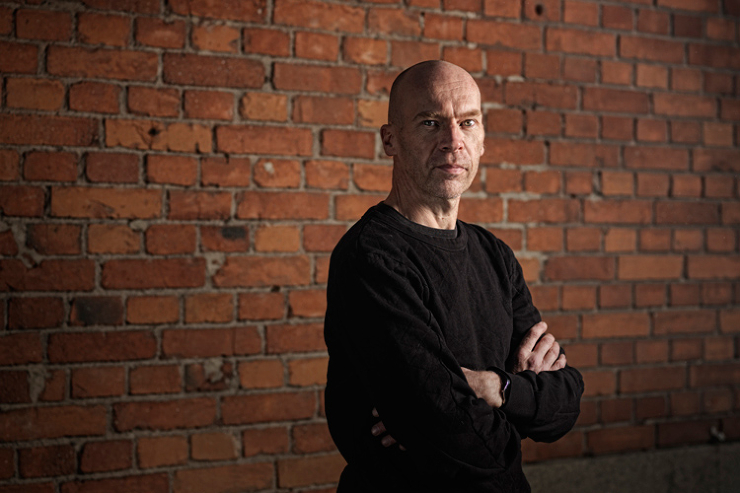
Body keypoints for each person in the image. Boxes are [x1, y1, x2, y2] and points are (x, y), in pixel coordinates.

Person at [323, 60, 584, 493]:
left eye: (467, 123)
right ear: (390, 140)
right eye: (430, 123)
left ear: (482, 141)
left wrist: (496, 387)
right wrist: (518, 407)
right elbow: (461, 439)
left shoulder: (495, 255)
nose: (453, 141)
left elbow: (566, 402)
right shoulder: (372, 257)